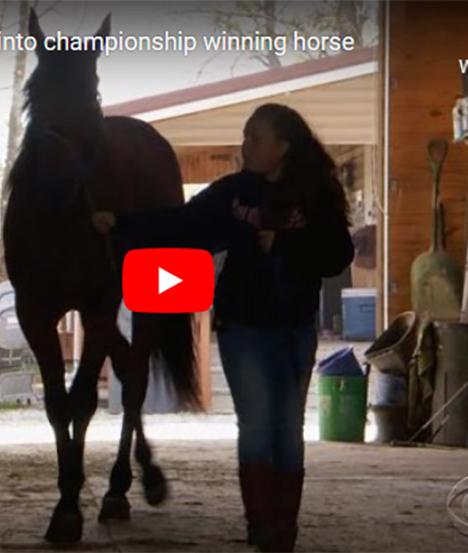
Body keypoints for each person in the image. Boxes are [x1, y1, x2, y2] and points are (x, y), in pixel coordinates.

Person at [93, 103, 354, 552]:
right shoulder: (233, 195)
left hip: (295, 328)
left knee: (288, 429)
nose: (245, 146)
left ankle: (284, 529)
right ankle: (261, 527)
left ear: (283, 145)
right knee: (256, 425)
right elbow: (182, 225)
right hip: (244, 330)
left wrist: (286, 242)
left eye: (255, 138)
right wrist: (123, 222)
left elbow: (338, 254)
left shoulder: (315, 196)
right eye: (245, 137)